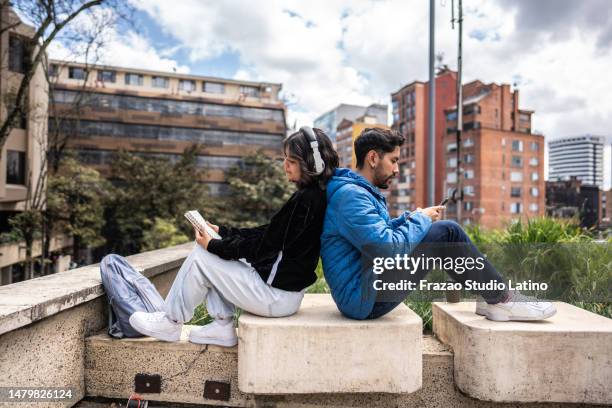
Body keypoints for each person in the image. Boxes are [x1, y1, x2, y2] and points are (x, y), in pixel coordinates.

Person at [129, 127, 339, 346]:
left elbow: (263, 246)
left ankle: (170, 322)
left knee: (202, 257)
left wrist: (213, 246)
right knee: (212, 254)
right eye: (284, 159)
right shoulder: (312, 196)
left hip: (275, 297)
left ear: (312, 163)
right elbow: (269, 233)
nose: (285, 165)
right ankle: (221, 327)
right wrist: (223, 232)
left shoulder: (307, 201)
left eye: (292, 161)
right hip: (283, 294)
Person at [320, 127, 556, 321]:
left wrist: (414, 216)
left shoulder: (358, 192)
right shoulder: (351, 196)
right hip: (364, 297)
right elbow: (386, 248)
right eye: (393, 161)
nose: (396, 169)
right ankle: (502, 299)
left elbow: (378, 233)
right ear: (373, 158)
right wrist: (421, 220)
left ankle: (491, 297)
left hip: (364, 288)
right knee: (447, 233)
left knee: (444, 233)